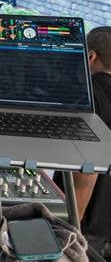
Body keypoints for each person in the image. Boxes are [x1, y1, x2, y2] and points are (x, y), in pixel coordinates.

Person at [72, 26, 111, 259]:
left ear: (91, 56)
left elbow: (84, 177)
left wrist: (69, 233)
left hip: (91, 228)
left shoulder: (89, 97)